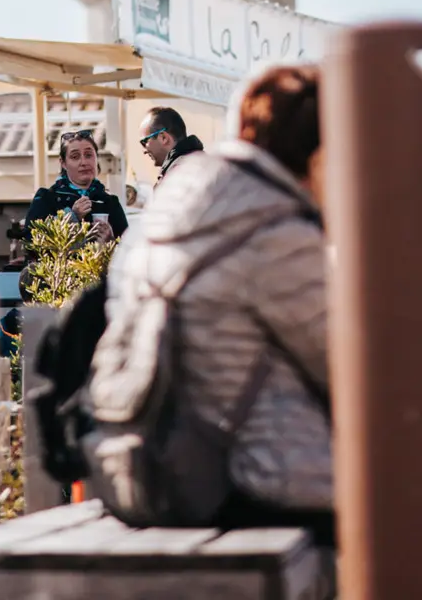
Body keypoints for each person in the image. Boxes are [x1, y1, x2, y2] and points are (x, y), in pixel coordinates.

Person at [89, 63, 331, 542]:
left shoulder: (163, 216)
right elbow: (350, 369)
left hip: (135, 470)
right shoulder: (277, 234)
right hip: (251, 483)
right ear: (319, 154)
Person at [25, 130, 129, 242]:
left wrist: (111, 240)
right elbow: (31, 241)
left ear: (96, 158)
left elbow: (130, 250)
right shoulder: (47, 198)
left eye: (89, 155)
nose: (83, 162)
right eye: (75, 157)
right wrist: (72, 216)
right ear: (63, 163)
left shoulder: (110, 202)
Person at [139, 106, 205, 186]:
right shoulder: (204, 164)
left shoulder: (180, 173)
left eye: (144, 142)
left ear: (163, 138)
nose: (144, 151)